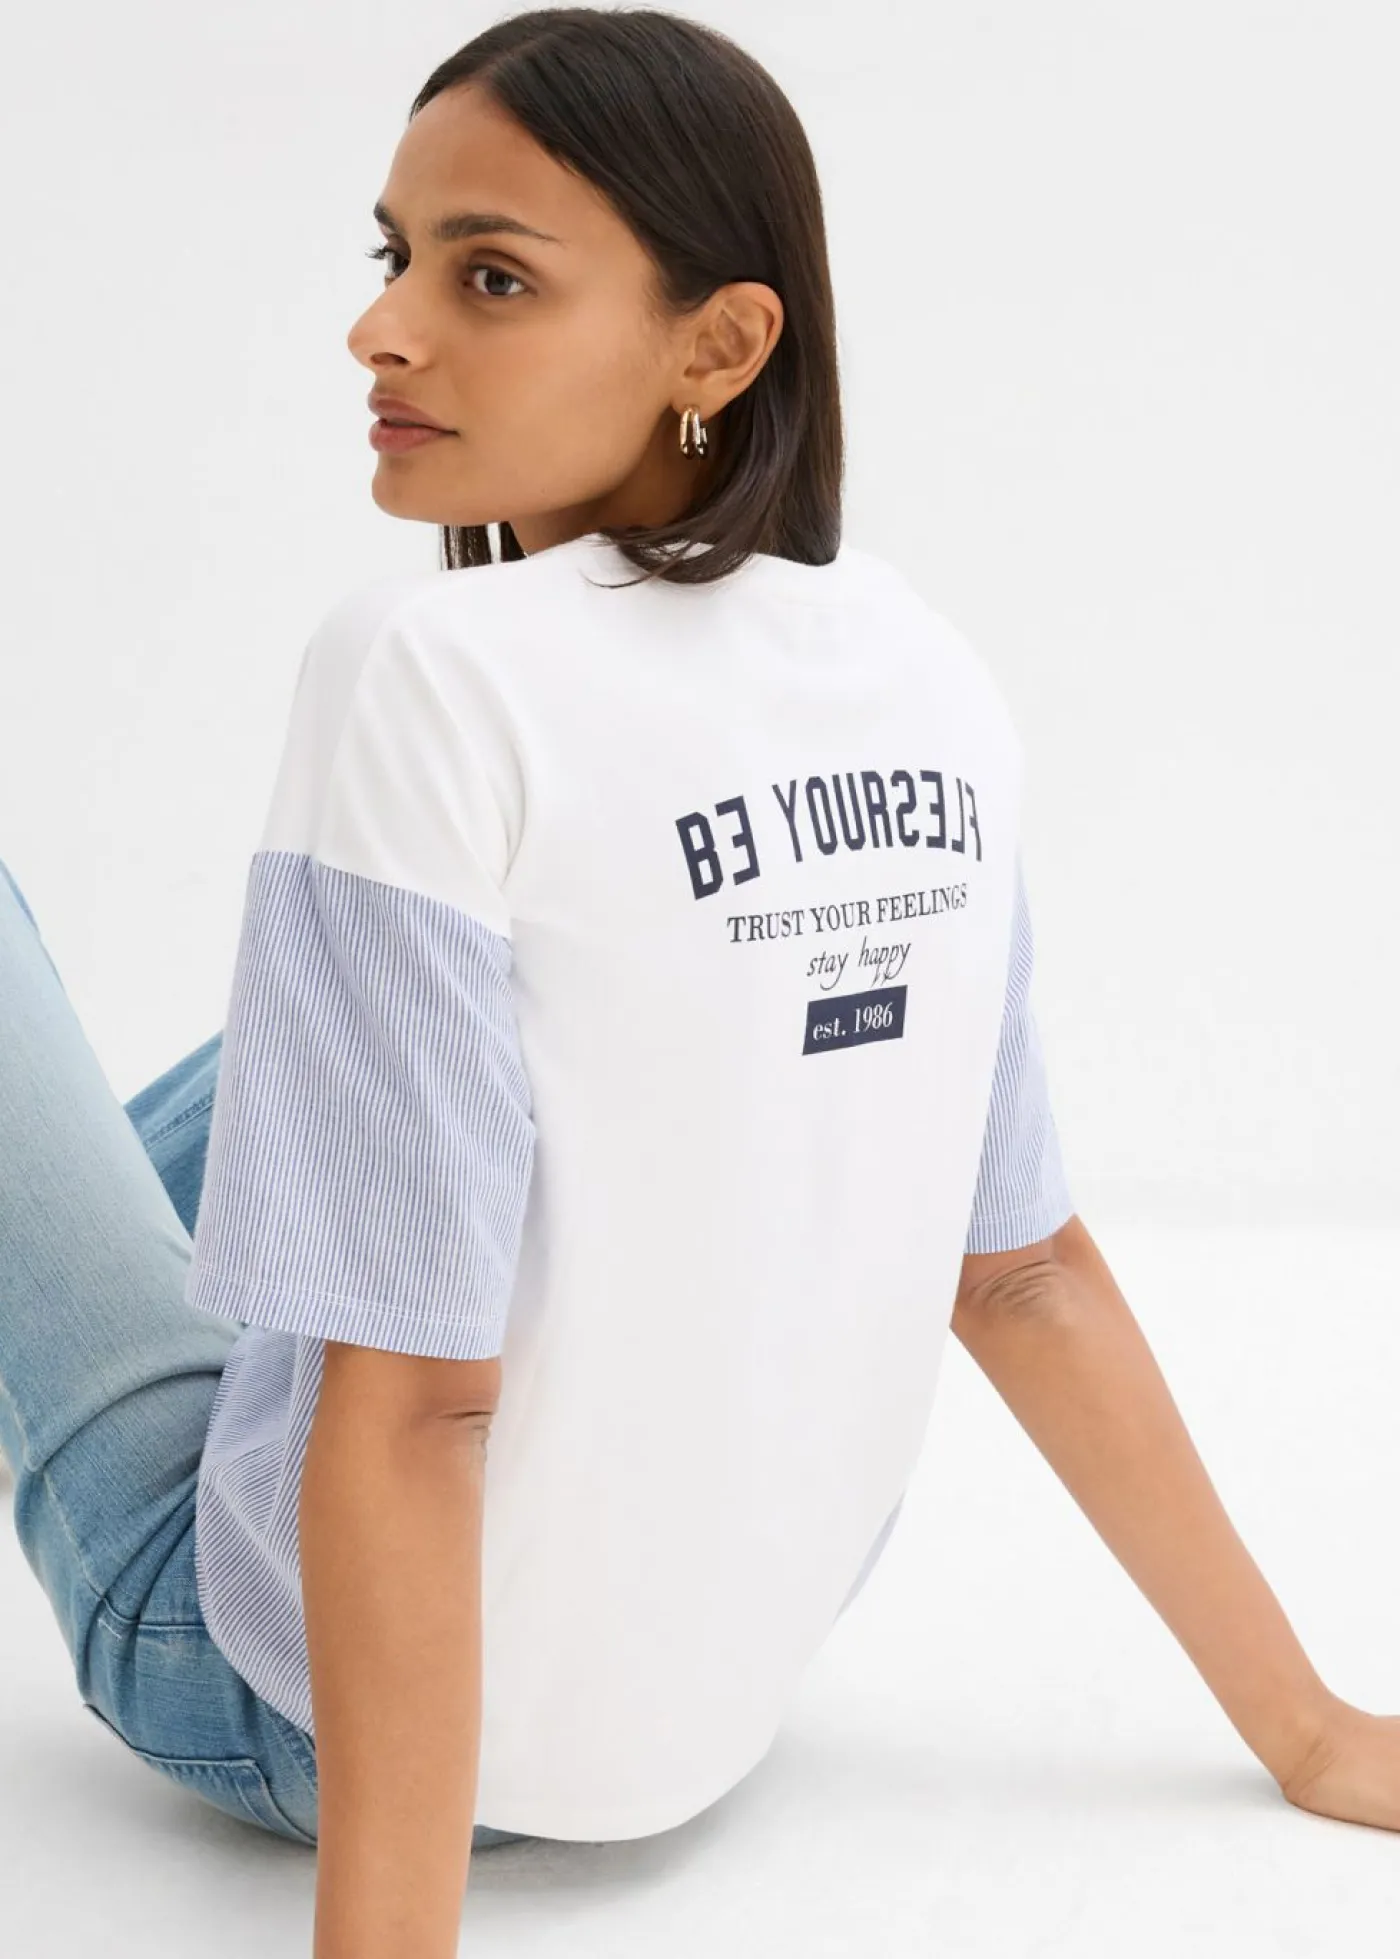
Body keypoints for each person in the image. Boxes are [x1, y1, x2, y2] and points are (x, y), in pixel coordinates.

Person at [2, 5, 1397, 1952]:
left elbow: (413, 1416)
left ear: (719, 346)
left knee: (334, 983)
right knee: (406, 1000)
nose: (381, 330)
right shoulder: (923, 668)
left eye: (489, 275)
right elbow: (1025, 1271)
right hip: (707, 1714)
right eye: (392, 257)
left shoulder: (430, 670)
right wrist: (1308, 1726)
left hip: (303, 1709)